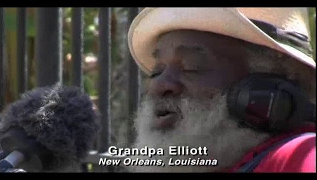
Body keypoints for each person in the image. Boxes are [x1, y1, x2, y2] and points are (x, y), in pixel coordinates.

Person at [126, 8, 316, 172]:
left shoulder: (300, 157)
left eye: (193, 65)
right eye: (156, 72)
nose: (158, 85)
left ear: (269, 86)